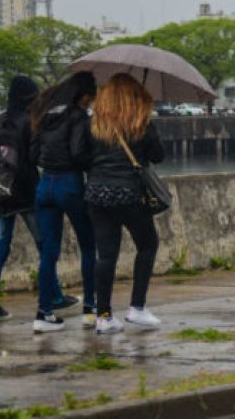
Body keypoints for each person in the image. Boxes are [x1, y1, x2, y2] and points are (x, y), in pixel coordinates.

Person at [0, 75, 78, 320]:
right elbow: (34, 157)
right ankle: (54, 296)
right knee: (45, 244)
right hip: (25, 194)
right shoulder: (30, 121)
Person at [85, 73, 165, 334]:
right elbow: (158, 155)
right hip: (130, 195)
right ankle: (137, 307)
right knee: (148, 244)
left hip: (97, 195)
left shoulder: (94, 125)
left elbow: (81, 156)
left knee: (106, 255)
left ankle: (104, 316)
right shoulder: (141, 123)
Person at [29, 71, 98, 333]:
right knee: (88, 245)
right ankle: (90, 309)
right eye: (90, 99)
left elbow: (34, 153)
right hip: (70, 184)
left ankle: (43, 313)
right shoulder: (78, 117)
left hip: (45, 185)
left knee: (49, 252)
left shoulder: (44, 115)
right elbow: (79, 153)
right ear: (83, 97)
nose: (90, 104)